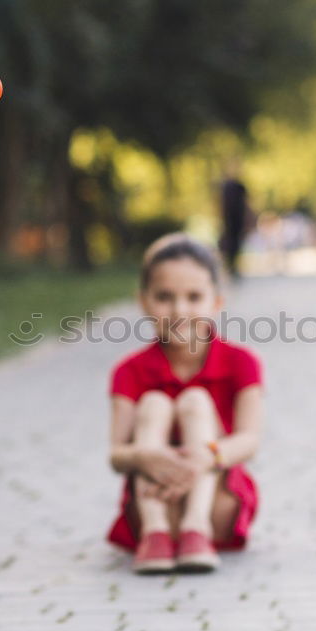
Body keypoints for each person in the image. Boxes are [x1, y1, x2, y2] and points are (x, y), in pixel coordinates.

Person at [106, 233, 264, 574]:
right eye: (165, 297)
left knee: (194, 401)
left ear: (217, 302)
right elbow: (116, 454)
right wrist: (142, 455)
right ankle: (156, 532)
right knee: (155, 404)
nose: (179, 310)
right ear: (143, 301)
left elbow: (249, 440)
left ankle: (196, 528)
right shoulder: (128, 371)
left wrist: (207, 456)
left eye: (194, 297)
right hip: (154, 502)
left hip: (215, 508)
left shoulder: (241, 362)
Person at [219, 158, 250, 277]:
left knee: (237, 243)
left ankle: (234, 266)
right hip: (228, 219)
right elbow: (221, 203)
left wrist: (247, 219)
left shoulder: (240, 186)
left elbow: (246, 203)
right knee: (229, 243)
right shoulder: (225, 186)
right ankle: (229, 265)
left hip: (238, 218)